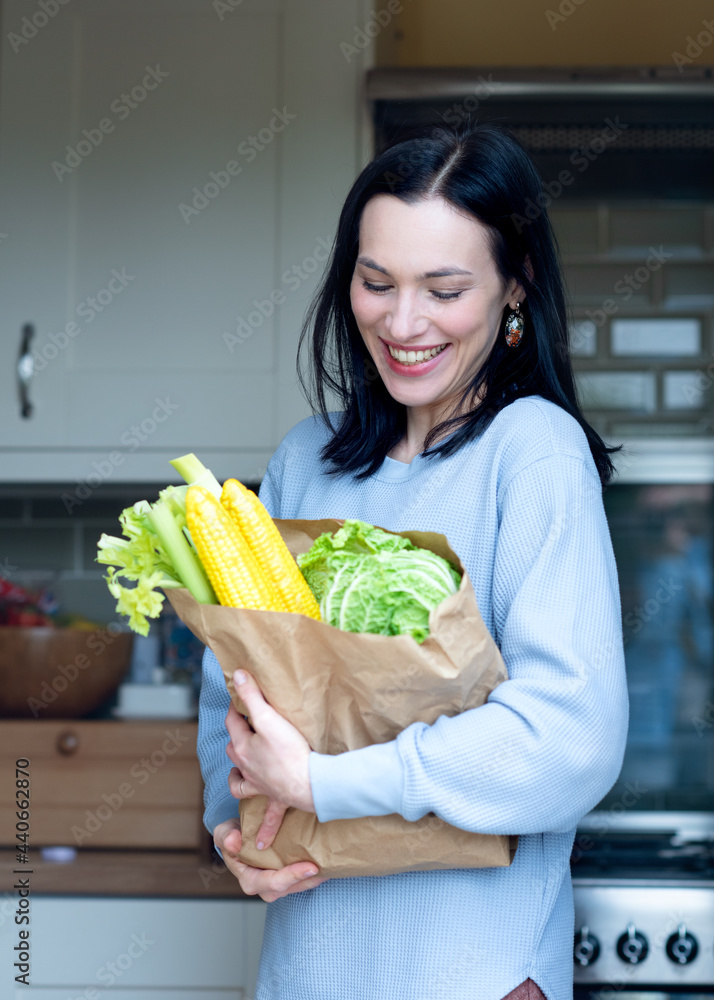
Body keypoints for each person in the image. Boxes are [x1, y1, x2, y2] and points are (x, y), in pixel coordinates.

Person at [197, 120, 629, 1000]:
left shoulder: (532, 453)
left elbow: (570, 738)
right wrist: (238, 836)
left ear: (517, 284)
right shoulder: (302, 462)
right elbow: (227, 703)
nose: (402, 322)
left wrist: (326, 781)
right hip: (306, 974)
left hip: (477, 976)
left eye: (444, 289)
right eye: (376, 281)